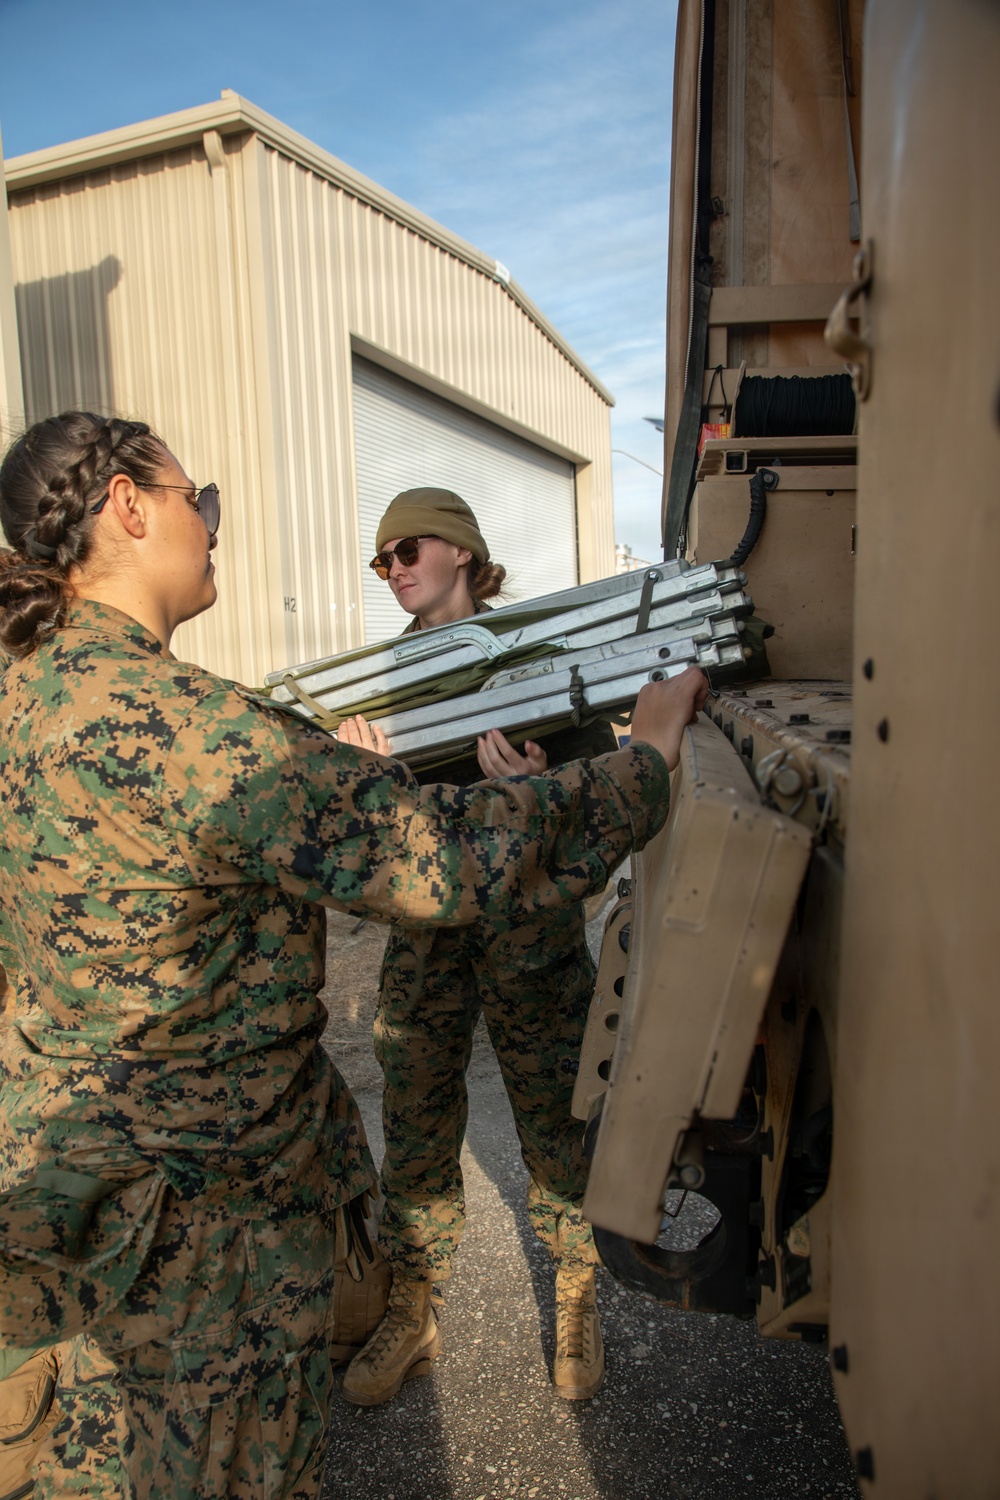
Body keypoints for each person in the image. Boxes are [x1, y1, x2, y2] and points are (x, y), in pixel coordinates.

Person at [0, 415, 707, 1499]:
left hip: (68, 1203)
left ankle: (566, 1293)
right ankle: (406, 1303)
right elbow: (446, 858)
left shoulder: (22, 701)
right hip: (205, 1236)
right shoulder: (203, 733)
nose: (214, 526)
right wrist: (645, 763)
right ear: (131, 510)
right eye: (204, 501)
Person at [335, 488, 619, 1407]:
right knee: (415, 1116)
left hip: (529, 928)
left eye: (406, 548)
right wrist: (372, 785)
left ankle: (577, 1290)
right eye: (381, 561)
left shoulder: (537, 664)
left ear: (462, 551)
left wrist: (542, 789)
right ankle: (415, 1303)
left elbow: (607, 797)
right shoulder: (379, 693)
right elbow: (361, 841)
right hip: (429, 936)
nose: (393, 568)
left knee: (554, 1111)